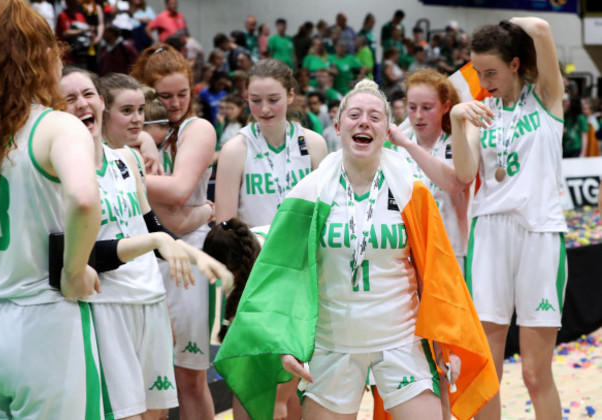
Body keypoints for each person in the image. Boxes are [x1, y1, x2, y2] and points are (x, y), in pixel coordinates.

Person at [215, 79, 498, 420]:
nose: (364, 121)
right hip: (333, 343)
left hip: (400, 339)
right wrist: (287, 341)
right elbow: (283, 272)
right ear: (338, 125)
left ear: (386, 130)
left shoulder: (411, 190)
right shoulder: (309, 193)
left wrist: (442, 338)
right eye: (355, 114)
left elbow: (434, 271)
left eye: (375, 116)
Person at [0, 0, 105, 417]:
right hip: (41, 320)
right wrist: (74, 272)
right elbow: (85, 198)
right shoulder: (57, 126)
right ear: (44, 56)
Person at [60, 67, 231, 420]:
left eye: (88, 94)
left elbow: (150, 227)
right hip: (108, 305)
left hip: (149, 299)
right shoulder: (63, 172)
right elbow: (78, 253)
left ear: (101, 102)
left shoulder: (129, 159)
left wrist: (185, 257)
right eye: (70, 98)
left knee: (156, 414)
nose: (82, 104)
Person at [449, 18, 567, 420]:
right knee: (487, 371)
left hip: (540, 232)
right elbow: (464, 175)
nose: (484, 80)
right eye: (478, 72)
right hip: (490, 234)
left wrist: (501, 26)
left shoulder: (548, 97)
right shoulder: (481, 111)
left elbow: (540, 27)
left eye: (491, 72)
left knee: (536, 374)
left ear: (515, 64)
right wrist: (457, 120)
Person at [131, 44, 218, 420]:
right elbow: (177, 216)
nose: (175, 103)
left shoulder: (198, 128)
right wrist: (198, 212)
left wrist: (129, 174)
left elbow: (181, 193)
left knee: (189, 378)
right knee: (145, 381)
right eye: (165, 96)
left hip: (186, 262)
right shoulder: (132, 133)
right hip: (140, 258)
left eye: (183, 93)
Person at [388, 69, 472, 419]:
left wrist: (407, 145)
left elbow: (455, 182)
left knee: (450, 353)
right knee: (417, 352)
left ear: (446, 108)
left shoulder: (458, 141)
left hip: (451, 256)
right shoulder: (397, 141)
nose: (418, 116)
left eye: (427, 108)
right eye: (411, 108)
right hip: (407, 263)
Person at [215, 58, 328, 228]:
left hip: (304, 251)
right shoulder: (234, 150)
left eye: (273, 100)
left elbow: (325, 214)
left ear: (290, 95)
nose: (264, 109)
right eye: (255, 100)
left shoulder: (313, 144)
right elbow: (225, 226)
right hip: (255, 252)